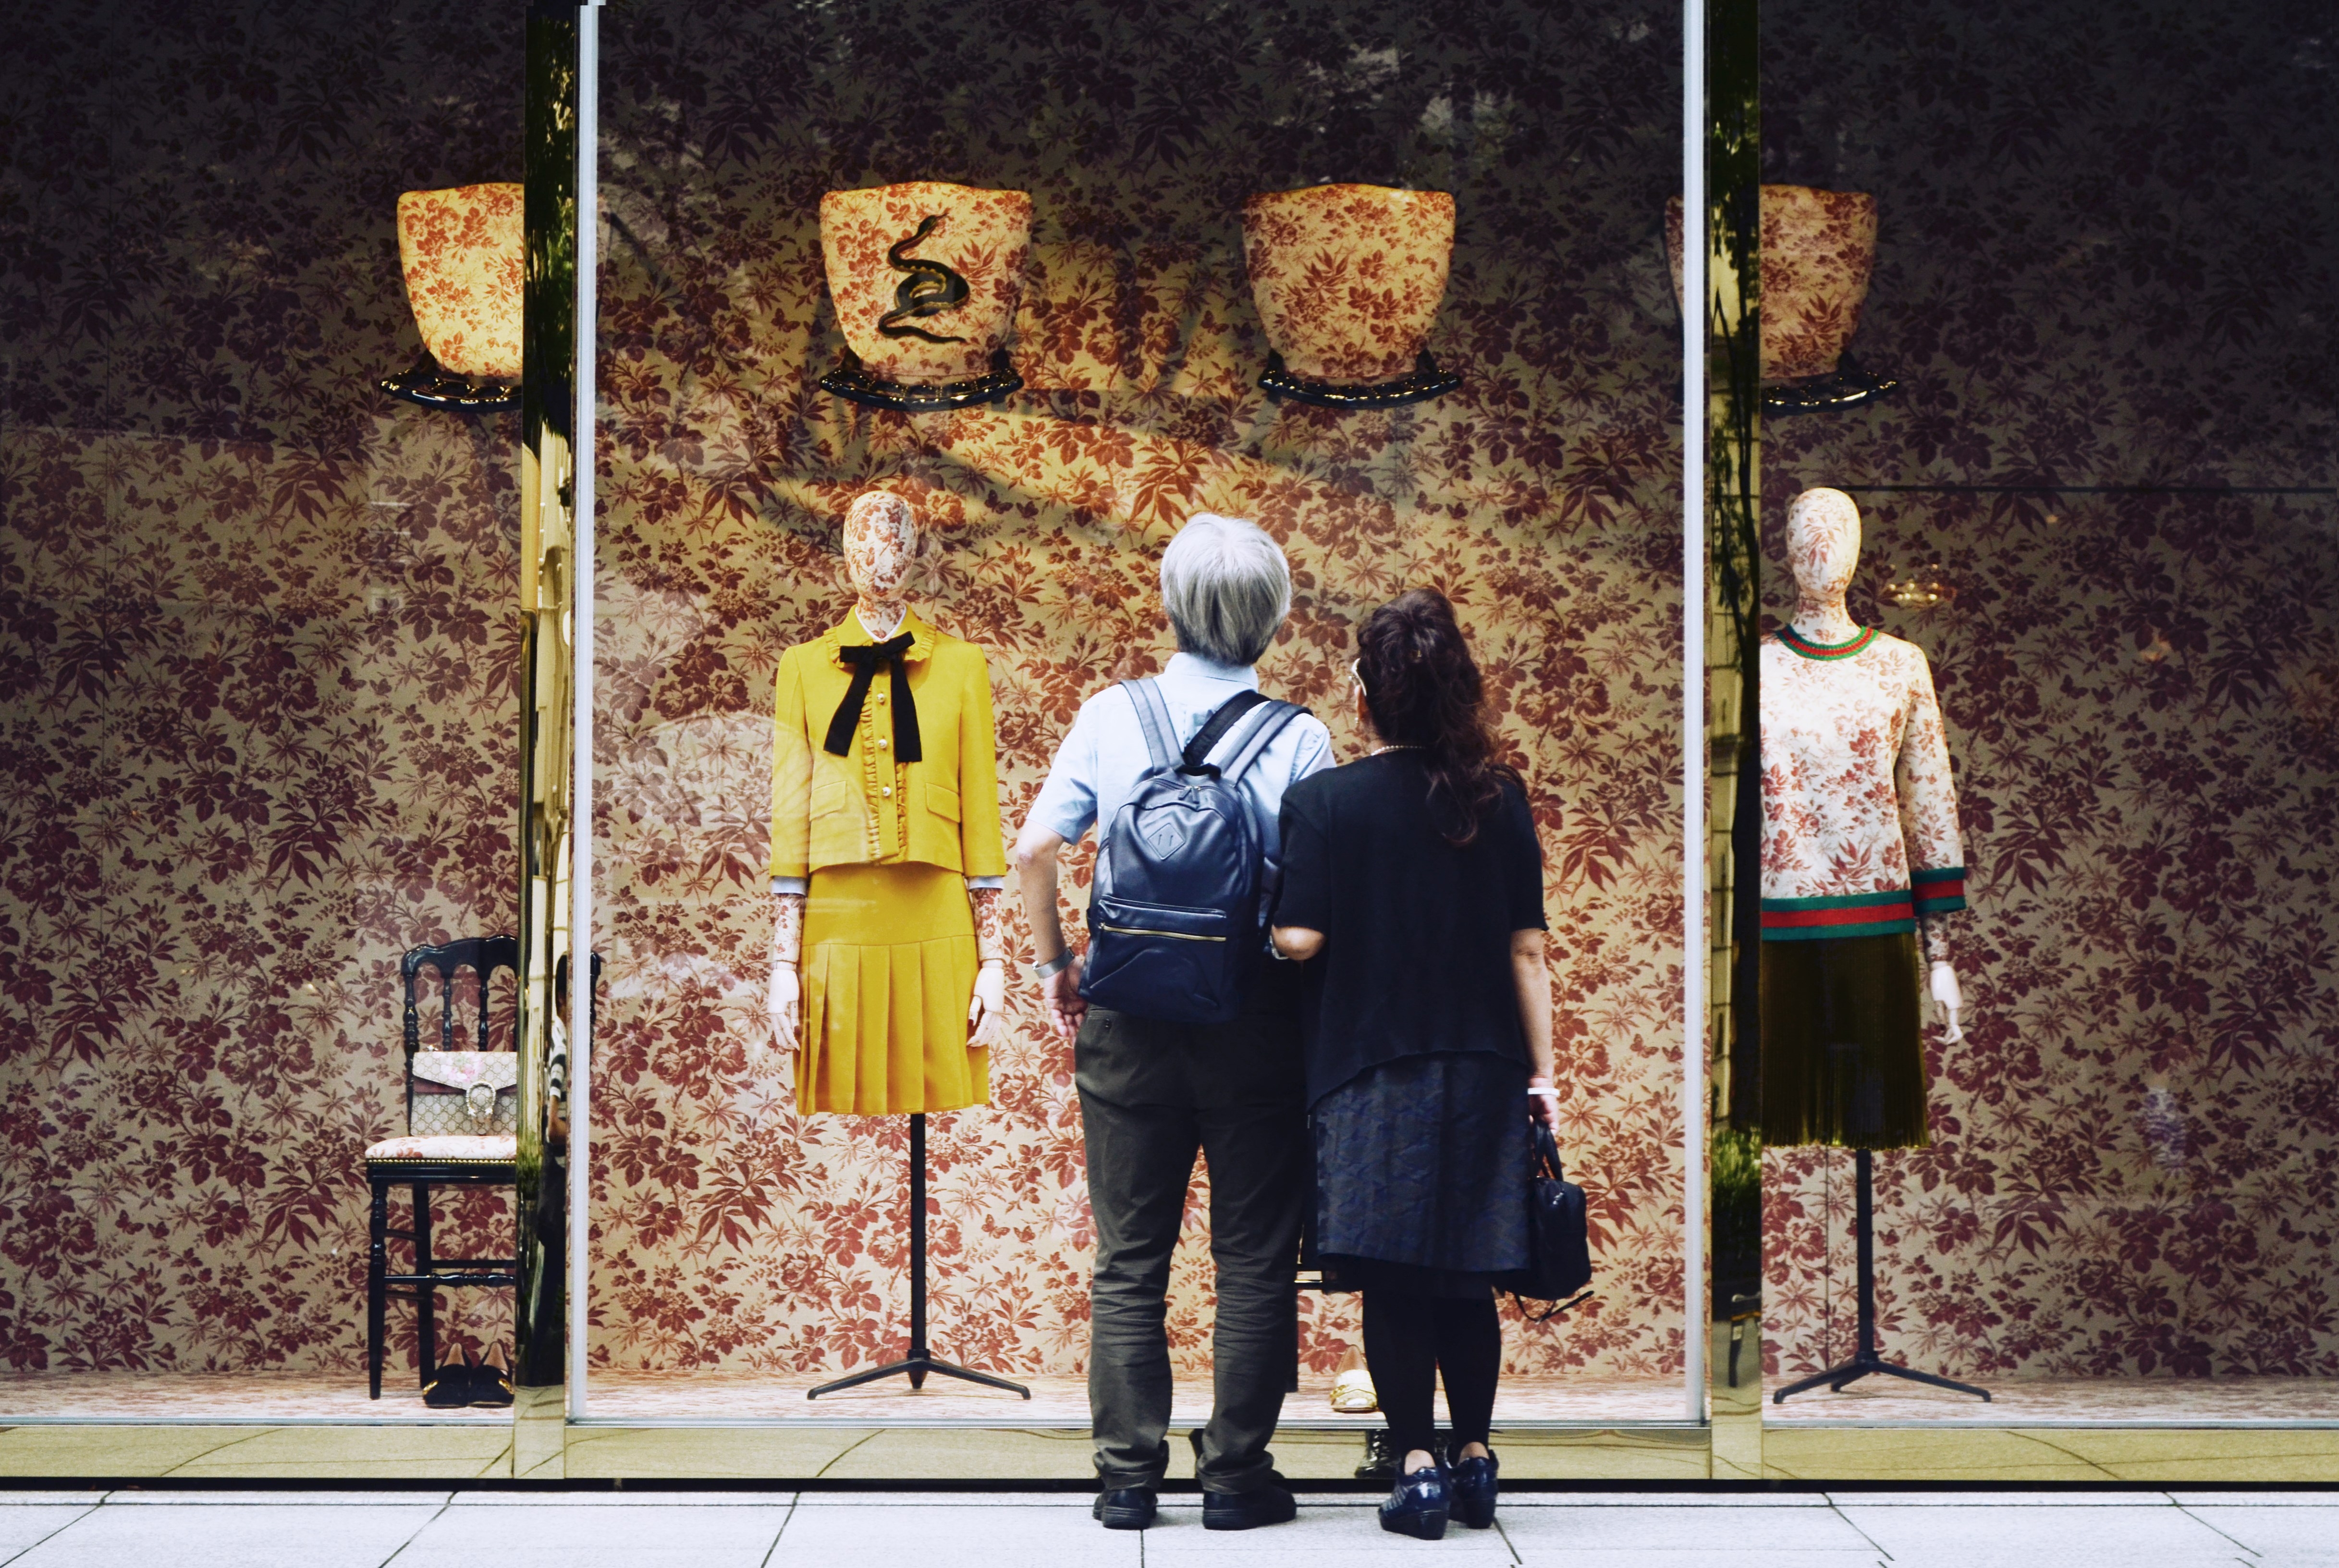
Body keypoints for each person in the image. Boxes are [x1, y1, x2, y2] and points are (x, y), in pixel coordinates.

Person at [1012, 514, 1332, 1533]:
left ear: (1169, 605)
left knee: (1129, 1257)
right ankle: (1235, 1476)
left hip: (1127, 1019)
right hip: (1253, 1024)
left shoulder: (1110, 714)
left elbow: (1031, 849)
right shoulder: (1301, 737)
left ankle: (1125, 1478)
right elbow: (1307, 915)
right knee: (1251, 1258)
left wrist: (1059, 965)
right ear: (1273, 621)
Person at [1269, 587, 1556, 1541]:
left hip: (1367, 1071)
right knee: (1466, 1277)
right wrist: (1543, 1077)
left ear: (1366, 695)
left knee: (1394, 1279)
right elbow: (1527, 952)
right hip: (1482, 1068)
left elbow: (1300, 939)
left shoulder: (1322, 803)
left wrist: (1268, 942)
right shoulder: (1497, 797)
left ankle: (1418, 1468)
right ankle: (1474, 1456)